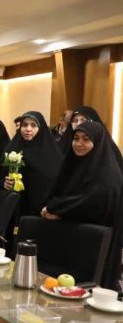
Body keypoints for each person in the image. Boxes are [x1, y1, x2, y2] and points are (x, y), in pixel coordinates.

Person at [41, 121, 123, 289]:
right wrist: (49, 207)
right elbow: (57, 190)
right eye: (76, 138)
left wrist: (56, 208)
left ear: (97, 142)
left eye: (86, 139)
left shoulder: (109, 172)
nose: (79, 143)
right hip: (69, 240)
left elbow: (93, 200)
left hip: (93, 247)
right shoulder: (73, 164)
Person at [4, 111, 63, 216]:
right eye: (25, 125)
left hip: (41, 209)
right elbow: (1, 175)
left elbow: (57, 183)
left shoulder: (51, 153)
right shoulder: (12, 148)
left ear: (41, 129)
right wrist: (4, 183)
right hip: (16, 207)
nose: (28, 129)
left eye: (33, 125)